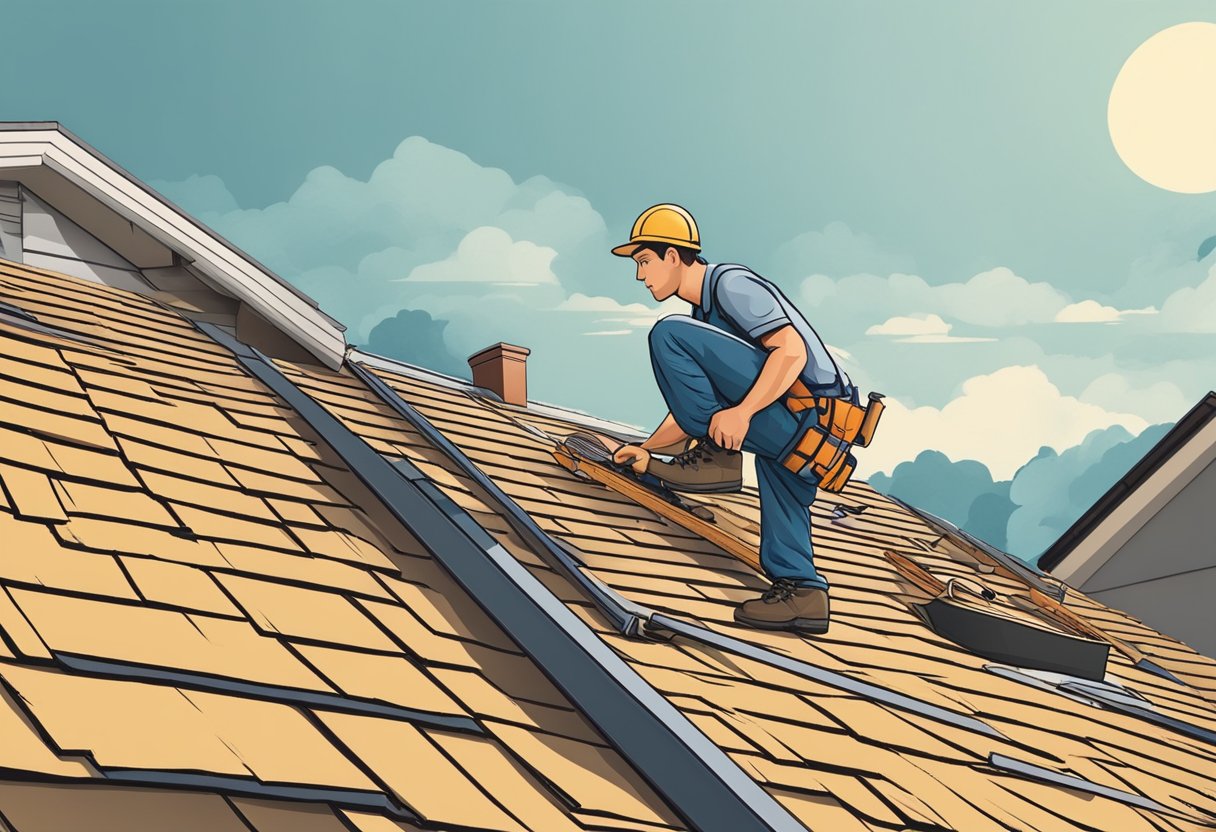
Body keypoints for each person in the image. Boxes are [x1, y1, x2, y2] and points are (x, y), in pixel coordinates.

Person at [609, 203, 855, 633]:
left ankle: (718, 458)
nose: (640, 275)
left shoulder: (730, 285)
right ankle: (804, 593)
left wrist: (740, 414)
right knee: (781, 489)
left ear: (673, 255)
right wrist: (645, 451)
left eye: (644, 261)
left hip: (806, 417)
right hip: (803, 433)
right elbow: (693, 411)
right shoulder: (705, 319)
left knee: (668, 335)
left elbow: (791, 351)